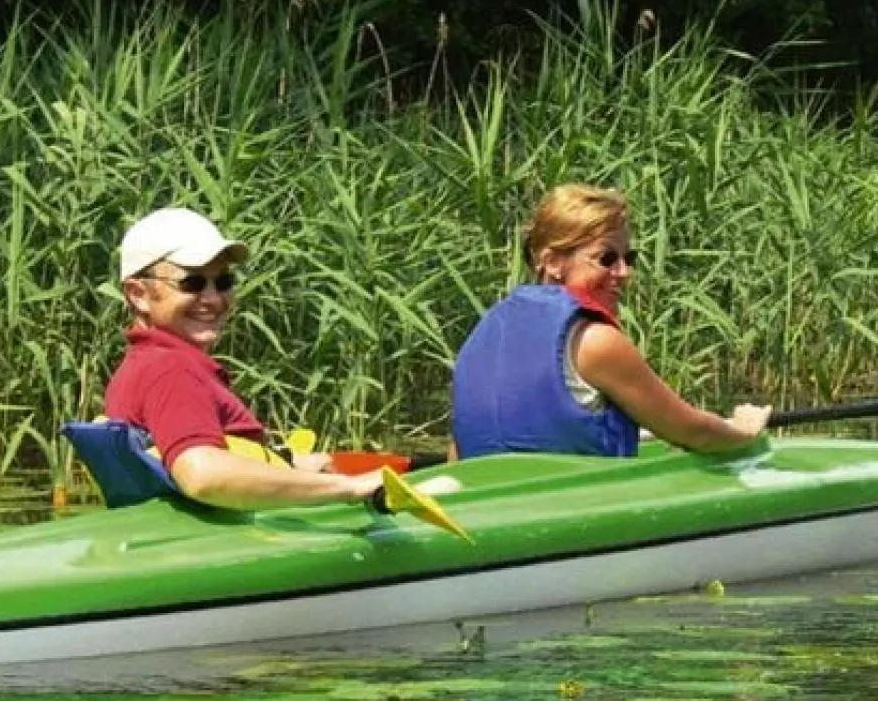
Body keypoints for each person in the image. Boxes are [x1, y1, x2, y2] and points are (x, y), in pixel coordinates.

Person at [451, 184, 770, 458]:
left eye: (628, 258)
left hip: (485, 508)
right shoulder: (595, 341)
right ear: (551, 262)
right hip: (571, 510)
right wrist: (745, 430)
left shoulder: (483, 333)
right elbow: (693, 431)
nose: (623, 272)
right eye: (606, 258)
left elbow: (458, 451)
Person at [104, 206, 383, 510]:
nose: (212, 299)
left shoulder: (142, 363)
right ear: (138, 294)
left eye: (223, 282)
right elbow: (202, 475)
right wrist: (350, 487)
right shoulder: (172, 370)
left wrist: (286, 464)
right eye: (192, 283)